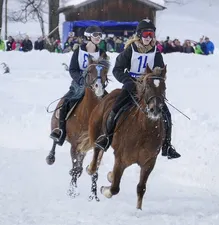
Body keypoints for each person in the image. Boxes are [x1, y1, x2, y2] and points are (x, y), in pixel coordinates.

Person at [94, 19, 181, 159]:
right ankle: (107, 138)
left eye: (151, 35)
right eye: (146, 34)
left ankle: (167, 146)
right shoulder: (130, 50)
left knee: (167, 115)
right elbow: (117, 69)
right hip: (132, 85)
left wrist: (156, 82)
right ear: (139, 35)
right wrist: (127, 80)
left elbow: (160, 74)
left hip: (149, 90)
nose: (148, 38)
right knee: (115, 109)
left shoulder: (156, 53)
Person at [50, 25, 106, 146]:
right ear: (89, 37)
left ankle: (105, 135)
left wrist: (101, 80)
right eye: (96, 35)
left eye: (100, 35)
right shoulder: (78, 51)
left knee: (109, 104)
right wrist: (81, 80)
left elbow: (104, 70)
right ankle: (61, 131)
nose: (99, 37)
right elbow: (73, 69)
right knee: (66, 103)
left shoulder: (101, 52)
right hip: (79, 84)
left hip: (96, 85)